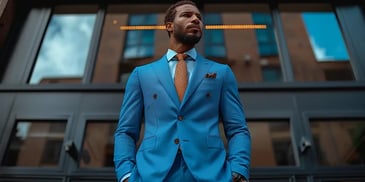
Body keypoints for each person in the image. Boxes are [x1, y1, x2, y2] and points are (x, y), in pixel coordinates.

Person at [114, 0, 251, 181]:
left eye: (199, 17)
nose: (196, 19)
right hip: (152, 174)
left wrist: (238, 169)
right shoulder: (141, 74)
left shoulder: (221, 73)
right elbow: (125, 131)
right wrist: (126, 174)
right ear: (169, 26)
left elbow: (238, 129)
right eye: (187, 15)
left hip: (211, 173)